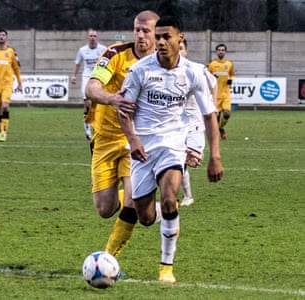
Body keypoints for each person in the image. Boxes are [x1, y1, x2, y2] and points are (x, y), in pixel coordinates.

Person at [118, 16, 224, 284]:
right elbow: (123, 109)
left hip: (173, 146)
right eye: (159, 36)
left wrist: (214, 156)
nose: (161, 41)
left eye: (167, 36)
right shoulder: (140, 70)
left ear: (181, 38)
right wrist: (133, 140)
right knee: (145, 216)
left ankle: (166, 267)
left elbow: (209, 116)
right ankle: (167, 219)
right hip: (143, 149)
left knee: (169, 198)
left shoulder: (192, 72)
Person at [84, 10, 160, 258]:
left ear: (156, 33)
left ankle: (108, 259)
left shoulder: (161, 63)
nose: (140, 35)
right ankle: (152, 204)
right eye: (137, 29)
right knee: (105, 209)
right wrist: (112, 99)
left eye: (146, 31)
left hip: (135, 140)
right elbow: (92, 87)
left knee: (131, 205)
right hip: (104, 138)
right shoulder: (116, 54)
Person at [179, 38, 218, 206]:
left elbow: (214, 82)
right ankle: (187, 196)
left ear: (186, 51)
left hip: (195, 121)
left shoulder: (197, 69)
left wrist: (213, 104)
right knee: (178, 160)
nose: (178, 51)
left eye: (181, 48)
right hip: (177, 123)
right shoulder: (164, 71)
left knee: (193, 161)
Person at [70, 29, 106, 140]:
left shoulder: (103, 49)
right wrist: (73, 75)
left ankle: (98, 127)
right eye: (91, 36)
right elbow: (77, 63)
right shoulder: (82, 50)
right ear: (87, 37)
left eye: (94, 36)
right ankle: (88, 130)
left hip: (99, 77)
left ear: (97, 37)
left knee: (99, 105)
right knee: (88, 103)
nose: (92, 38)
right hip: (86, 78)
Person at [208, 43, 235, 140]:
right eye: (219, 50)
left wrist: (231, 79)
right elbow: (207, 77)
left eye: (223, 50)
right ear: (216, 52)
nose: (221, 51)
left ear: (225, 52)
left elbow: (232, 75)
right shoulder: (212, 64)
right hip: (215, 95)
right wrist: (212, 78)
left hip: (225, 95)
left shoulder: (229, 64)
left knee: (227, 114)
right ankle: (216, 132)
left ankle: (221, 127)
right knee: (216, 116)